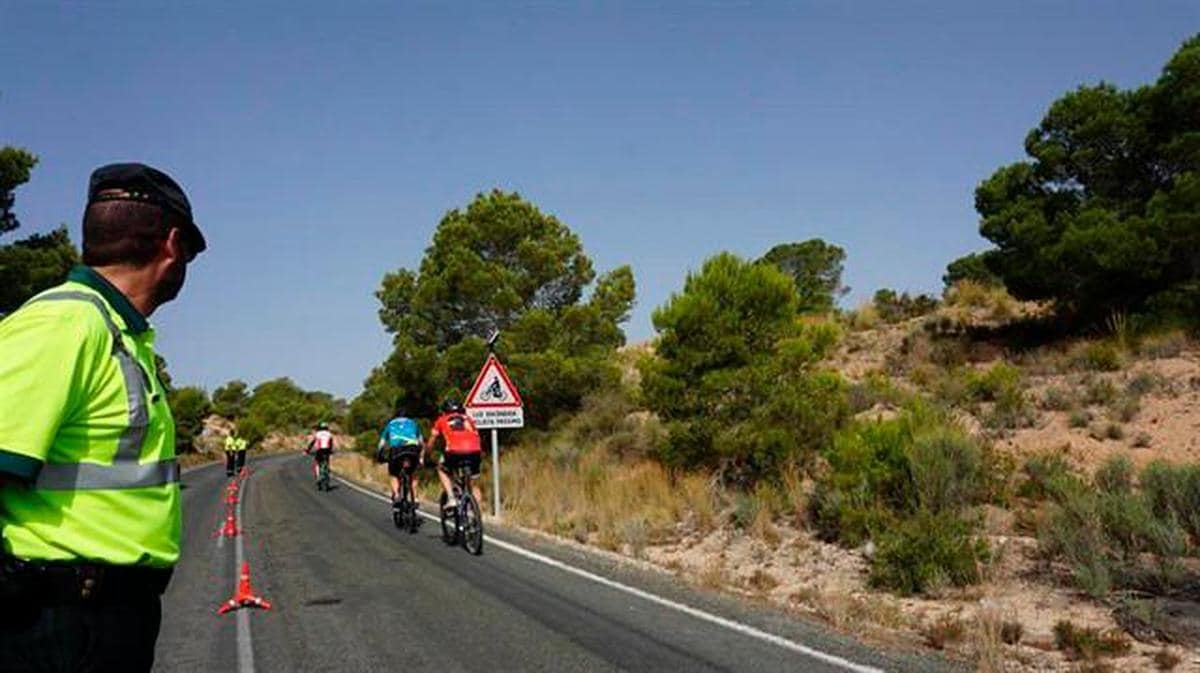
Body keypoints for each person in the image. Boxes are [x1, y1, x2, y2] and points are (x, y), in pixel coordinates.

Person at [0, 162, 205, 672]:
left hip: (106, 614)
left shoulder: (116, 332)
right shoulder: (64, 323)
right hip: (56, 622)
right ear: (173, 245)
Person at [426, 400, 483, 510]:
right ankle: (476, 513)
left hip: (454, 452)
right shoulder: (469, 419)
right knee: (472, 484)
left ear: (444, 411)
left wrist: (427, 453)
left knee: (441, 469)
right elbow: (476, 436)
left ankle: (451, 498)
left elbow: (432, 440)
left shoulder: (441, 420)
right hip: (475, 452)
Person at [376, 402, 425, 513]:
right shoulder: (413, 423)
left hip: (396, 451)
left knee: (393, 474)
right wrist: (421, 458)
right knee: (413, 474)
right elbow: (421, 442)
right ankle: (416, 498)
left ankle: (397, 495)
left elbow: (381, 444)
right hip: (412, 449)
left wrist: (379, 456)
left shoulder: (391, 423)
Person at [305, 421, 335, 487]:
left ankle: (318, 477)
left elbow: (312, 443)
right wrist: (331, 451)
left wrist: (307, 450)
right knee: (327, 462)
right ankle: (327, 473)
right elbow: (331, 444)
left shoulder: (318, 434)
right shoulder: (329, 434)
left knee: (317, 463)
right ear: (327, 427)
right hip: (327, 451)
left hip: (320, 451)